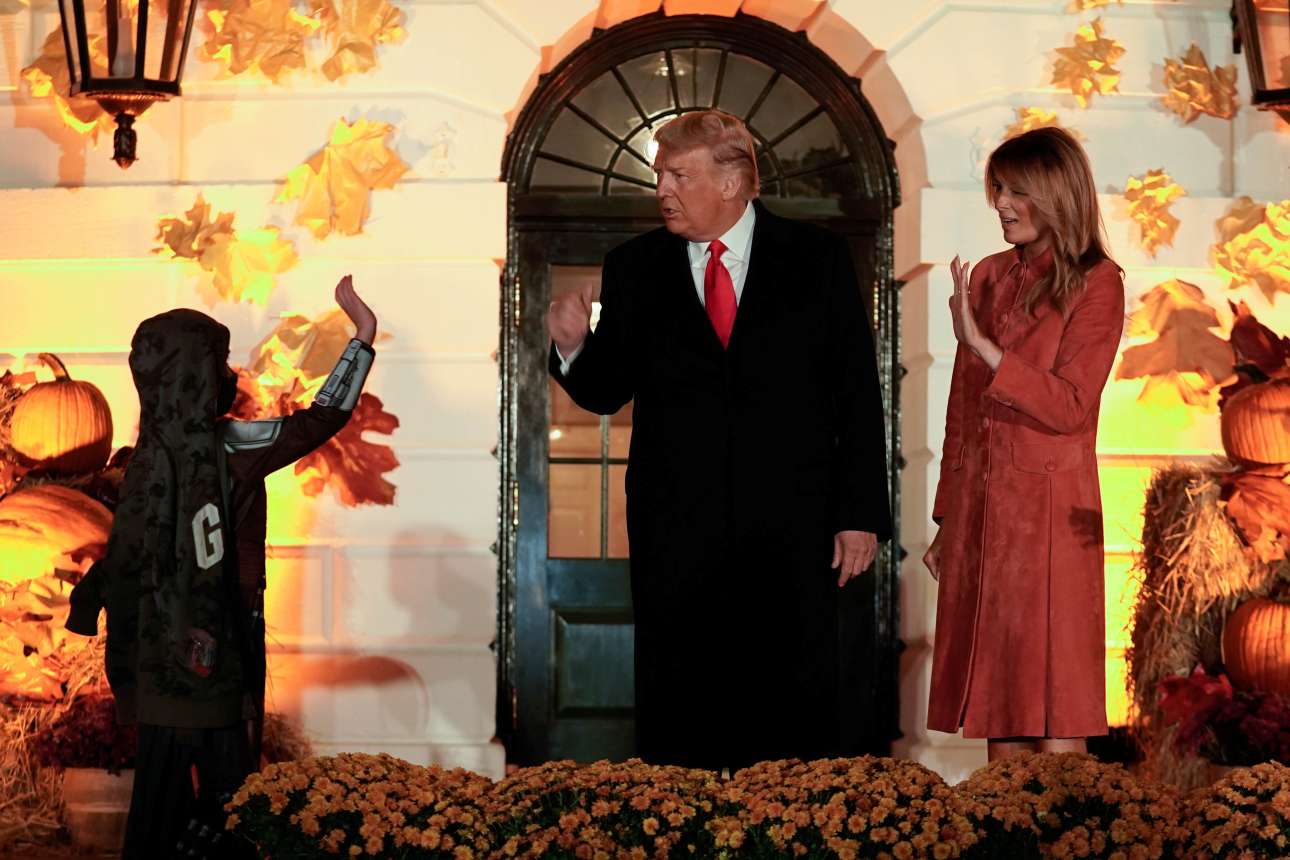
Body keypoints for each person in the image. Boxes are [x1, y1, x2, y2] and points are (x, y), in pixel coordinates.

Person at [546, 110, 892, 770]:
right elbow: (606, 390)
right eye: (660, 177)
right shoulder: (634, 267)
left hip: (794, 532)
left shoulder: (817, 259)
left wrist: (859, 515)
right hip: (676, 535)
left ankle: (788, 824)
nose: (663, 190)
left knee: (792, 712)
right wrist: (573, 347)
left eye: (679, 175)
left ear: (732, 182)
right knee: (681, 714)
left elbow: (856, 393)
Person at [67, 276, 378, 858]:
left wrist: (89, 603)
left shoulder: (143, 461)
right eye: (219, 361)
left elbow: (124, 555)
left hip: (159, 660)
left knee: (162, 803)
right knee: (232, 798)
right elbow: (319, 420)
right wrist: (361, 337)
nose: (229, 374)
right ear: (197, 372)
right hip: (222, 644)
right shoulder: (235, 447)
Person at [922, 127, 1125, 761]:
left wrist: (985, 348)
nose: (1001, 204)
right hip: (984, 515)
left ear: (1057, 194)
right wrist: (948, 520)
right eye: (998, 190)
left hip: (1052, 520)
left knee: (1056, 697)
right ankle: (1004, 819)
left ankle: (1072, 820)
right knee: (999, 699)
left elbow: (1070, 406)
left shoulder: (1098, 281)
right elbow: (962, 412)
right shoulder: (986, 276)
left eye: (1016, 191)